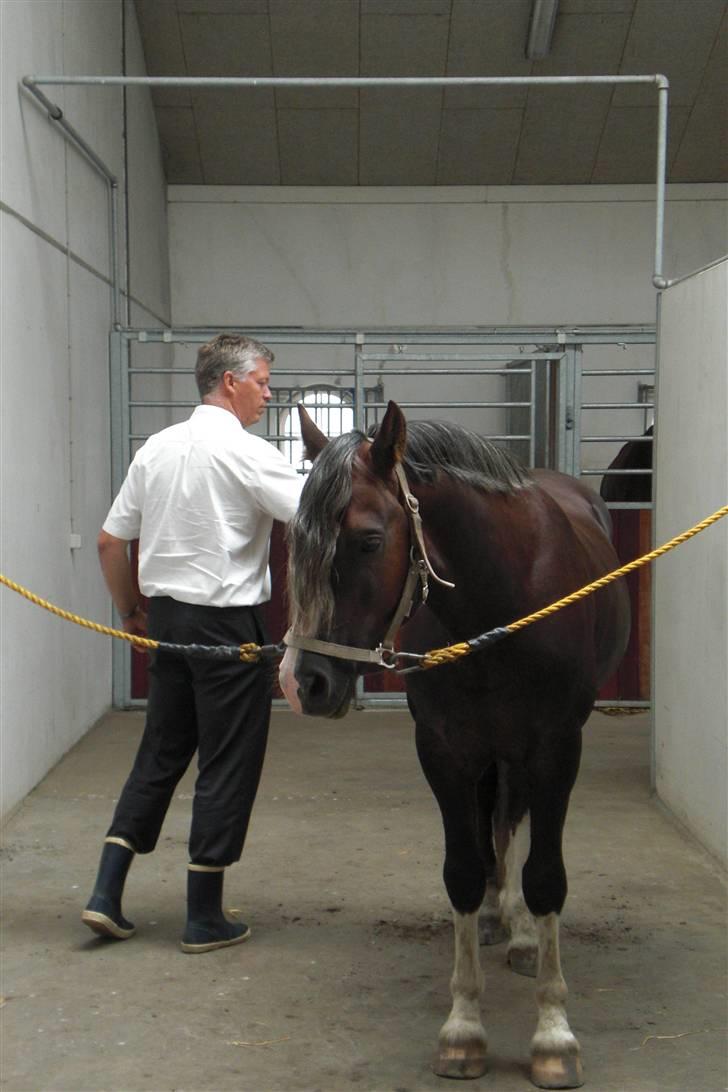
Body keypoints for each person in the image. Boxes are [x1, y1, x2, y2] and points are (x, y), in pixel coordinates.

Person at [82, 333, 303, 953]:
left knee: (160, 752)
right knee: (227, 761)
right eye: (262, 381)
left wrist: (131, 613)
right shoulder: (249, 453)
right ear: (230, 382)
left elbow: (109, 542)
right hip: (228, 629)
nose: (268, 393)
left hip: (168, 624)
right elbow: (314, 515)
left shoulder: (156, 448)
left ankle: (105, 893)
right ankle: (203, 915)